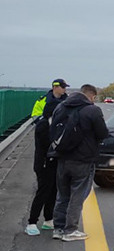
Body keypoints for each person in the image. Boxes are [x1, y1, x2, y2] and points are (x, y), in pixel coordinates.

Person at [51, 84, 109, 242]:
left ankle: (58, 228)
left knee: (62, 194)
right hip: (83, 159)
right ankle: (70, 230)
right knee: (77, 194)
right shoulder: (92, 110)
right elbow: (102, 133)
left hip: (62, 157)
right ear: (92, 96)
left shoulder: (61, 107)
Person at [24, 79, 68, 236]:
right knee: (43, 190)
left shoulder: (56, 124)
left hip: (53, 161)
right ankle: (31, 222)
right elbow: (46, 146)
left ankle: (48, 219)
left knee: (53, 191)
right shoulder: (44, 126)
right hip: (44, 162)